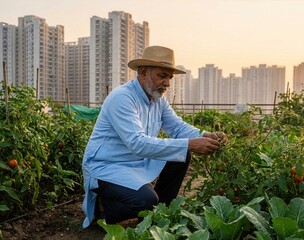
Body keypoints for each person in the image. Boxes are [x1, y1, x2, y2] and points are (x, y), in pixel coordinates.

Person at [82, 45, 226, 228]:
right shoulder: (122, 98)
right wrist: (190, 144)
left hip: (135, 163)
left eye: (170, 77)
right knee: (145, 200)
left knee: (181, 156)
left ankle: (155, 215)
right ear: (143, 72)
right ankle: (100, 210)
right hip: (108, 166)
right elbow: (137, 144)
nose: (167, 83)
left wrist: (205, 135)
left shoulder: (158, 100)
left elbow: (176, 126)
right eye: (162, 76)